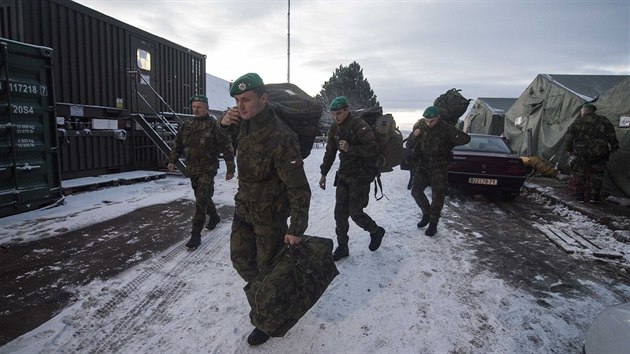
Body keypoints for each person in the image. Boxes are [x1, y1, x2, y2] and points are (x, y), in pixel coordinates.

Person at [219, 73, 311, 346]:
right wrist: (221, 123)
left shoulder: (281, 137)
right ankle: (273, 294)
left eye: (246, 99)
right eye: (237, 100)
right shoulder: (243, 124)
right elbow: (215, 136)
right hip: (244, 209)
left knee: (266, 269)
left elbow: (299, 189)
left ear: (264, 98)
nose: (240, 106)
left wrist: (296, 229)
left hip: (270, 218)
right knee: (241, 260)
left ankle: (266, 320)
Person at [319, 96, 385, 261]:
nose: (336, 117)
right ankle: (342, 247)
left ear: (347, 110)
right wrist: (323, 173)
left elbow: (373, 148)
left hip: (361, 177)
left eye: (339, 113)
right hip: (344, 175)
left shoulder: (359, 126)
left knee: (355, 212)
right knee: (339, 214)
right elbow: (330, 152)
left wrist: (351, 149)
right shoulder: (334, 129)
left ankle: (376, 231)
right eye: (333, 114)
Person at [167, 94, 235, 249]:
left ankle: (195, 234)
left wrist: (231, 168)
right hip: (192, 169)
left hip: (208, 169)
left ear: (207, 108)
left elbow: (227, 146)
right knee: (202, 197)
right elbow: (178, 143)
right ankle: (215, 216)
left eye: (199, 107)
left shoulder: (214, 125)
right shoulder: (187, 125)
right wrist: (172, 160)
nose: (196, 110)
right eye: (194, 107)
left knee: (201, 200)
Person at [406, 106, 470, 236]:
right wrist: (414, 135)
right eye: (427, 120)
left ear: (438, 118)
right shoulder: (420, 125)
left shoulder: (446, 128)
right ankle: (426, 214)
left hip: (439, 166)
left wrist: (454, 135)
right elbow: (409, 145)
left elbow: (466, 139)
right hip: (423, 165)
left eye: (432, 121)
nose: (429, 123)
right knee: (416, 191)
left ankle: (433, 223)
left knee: (438, 195)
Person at [565, 102, 619, 203]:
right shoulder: (604, 121)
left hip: (581, 154)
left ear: (584, 110)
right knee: (597, 176)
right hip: (599, 154)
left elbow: (569, 138)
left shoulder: (577, 122)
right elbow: (611, 135)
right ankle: (594, 197)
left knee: (579, 175)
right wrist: (614, 147)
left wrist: (570, 150)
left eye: (582, 111)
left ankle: (579, 197)